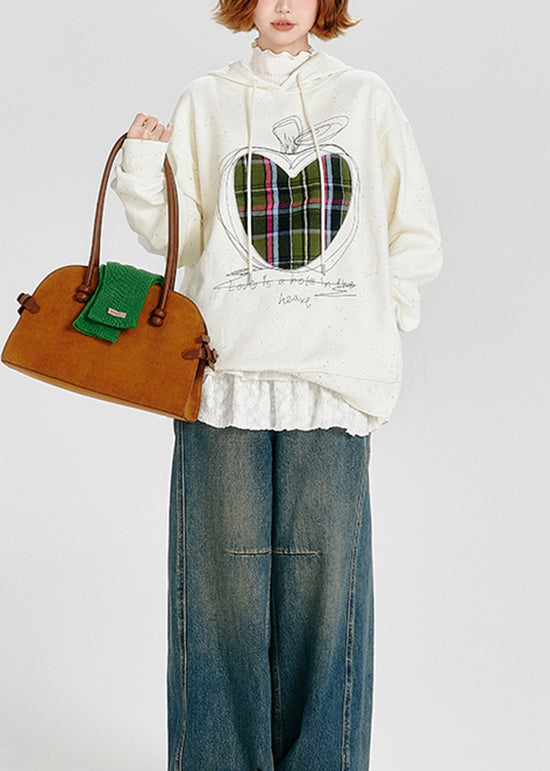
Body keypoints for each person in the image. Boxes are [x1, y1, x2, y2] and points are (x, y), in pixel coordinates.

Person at [111, 0, 443, 768]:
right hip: (224, 380)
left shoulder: (365, 98)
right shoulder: (207, 99)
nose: (285, 5)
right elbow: (180, 237)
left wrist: (377, 318)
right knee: (218, 604)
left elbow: (415, 232)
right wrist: (143, 167)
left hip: (331, 384)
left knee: (324, 612)